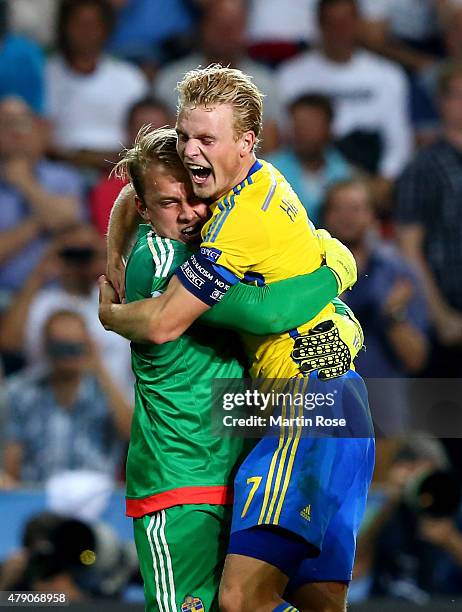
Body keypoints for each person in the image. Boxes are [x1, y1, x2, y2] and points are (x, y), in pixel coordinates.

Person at [99, 65, 374, 612]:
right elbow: (136, 196)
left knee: (239, 603)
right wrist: (336, 271)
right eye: (185, 137)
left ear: (246, 141)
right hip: (341, 403)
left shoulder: (229, 226)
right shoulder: (260, 180)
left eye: (206, 139)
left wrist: (111, 312)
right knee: (316, 602)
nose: (193, 152)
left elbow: (170, 322)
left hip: (304, 405)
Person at [277, 0, 411, 185]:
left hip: (372, 173)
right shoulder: (290, 75)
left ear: (358, 24)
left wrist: (385, 181)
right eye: (332, 23)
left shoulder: (388, 75)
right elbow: (285, 137)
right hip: (306, 175)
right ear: (319, 25)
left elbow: (398, 143)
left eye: (345, 23)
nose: (339, 32)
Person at [0, 223, 133, 397]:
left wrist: (106, 260)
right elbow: (9, 343)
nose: (81, 262)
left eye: (87, 253)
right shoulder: (42, 302)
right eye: (72, 254)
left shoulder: (119, 298)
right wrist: (40, 273)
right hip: (54, 405)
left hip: (114, 405)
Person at [3, 310, 131, 484]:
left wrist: (99, 367)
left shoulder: (106, 391)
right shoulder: (22, 392)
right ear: (46, 347)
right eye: (60, 348)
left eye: (75, 348)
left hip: (94, 498)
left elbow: (132, 434)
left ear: (88, 346)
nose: (67, 357)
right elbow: (12, 458)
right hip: (38, 497)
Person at [153, 0, 281, 153]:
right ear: (202, 27)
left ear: (245, 30)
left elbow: (271, 148)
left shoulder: (264, 83)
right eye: (218, 25)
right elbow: (161, 142)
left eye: (233, 26)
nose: (225, 33)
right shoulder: (171, 79)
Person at [0, 96, 84, 304]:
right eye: (7, 124)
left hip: (62, 293)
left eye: (23, 123)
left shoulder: (65, 177)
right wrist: (41, 222)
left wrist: (25, 184)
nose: (17, 132)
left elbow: (74, 223)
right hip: (5, 296)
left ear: (38, 129)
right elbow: (61, 218)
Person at [46, 0, 148, 170]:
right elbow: (40, 136)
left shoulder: (130, 77)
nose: (86, 32)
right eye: (79, 24)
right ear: (64, 27)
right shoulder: (46, 74)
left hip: (121, 169)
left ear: (106, 29)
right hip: (60, 169)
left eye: (93, 24)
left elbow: (146, 135)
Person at [89, 96, 171, 237]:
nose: (152, 137)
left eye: (160, 129)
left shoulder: (192, 183)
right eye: (143, 130)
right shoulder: (108, 189)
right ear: (129, 133)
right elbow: (109, 244)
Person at [268, 94, 353, 225]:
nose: (302, 131)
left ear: (329, 128)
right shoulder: (269, 171)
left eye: (310, 124)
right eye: (298, 124)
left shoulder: (343, 172)